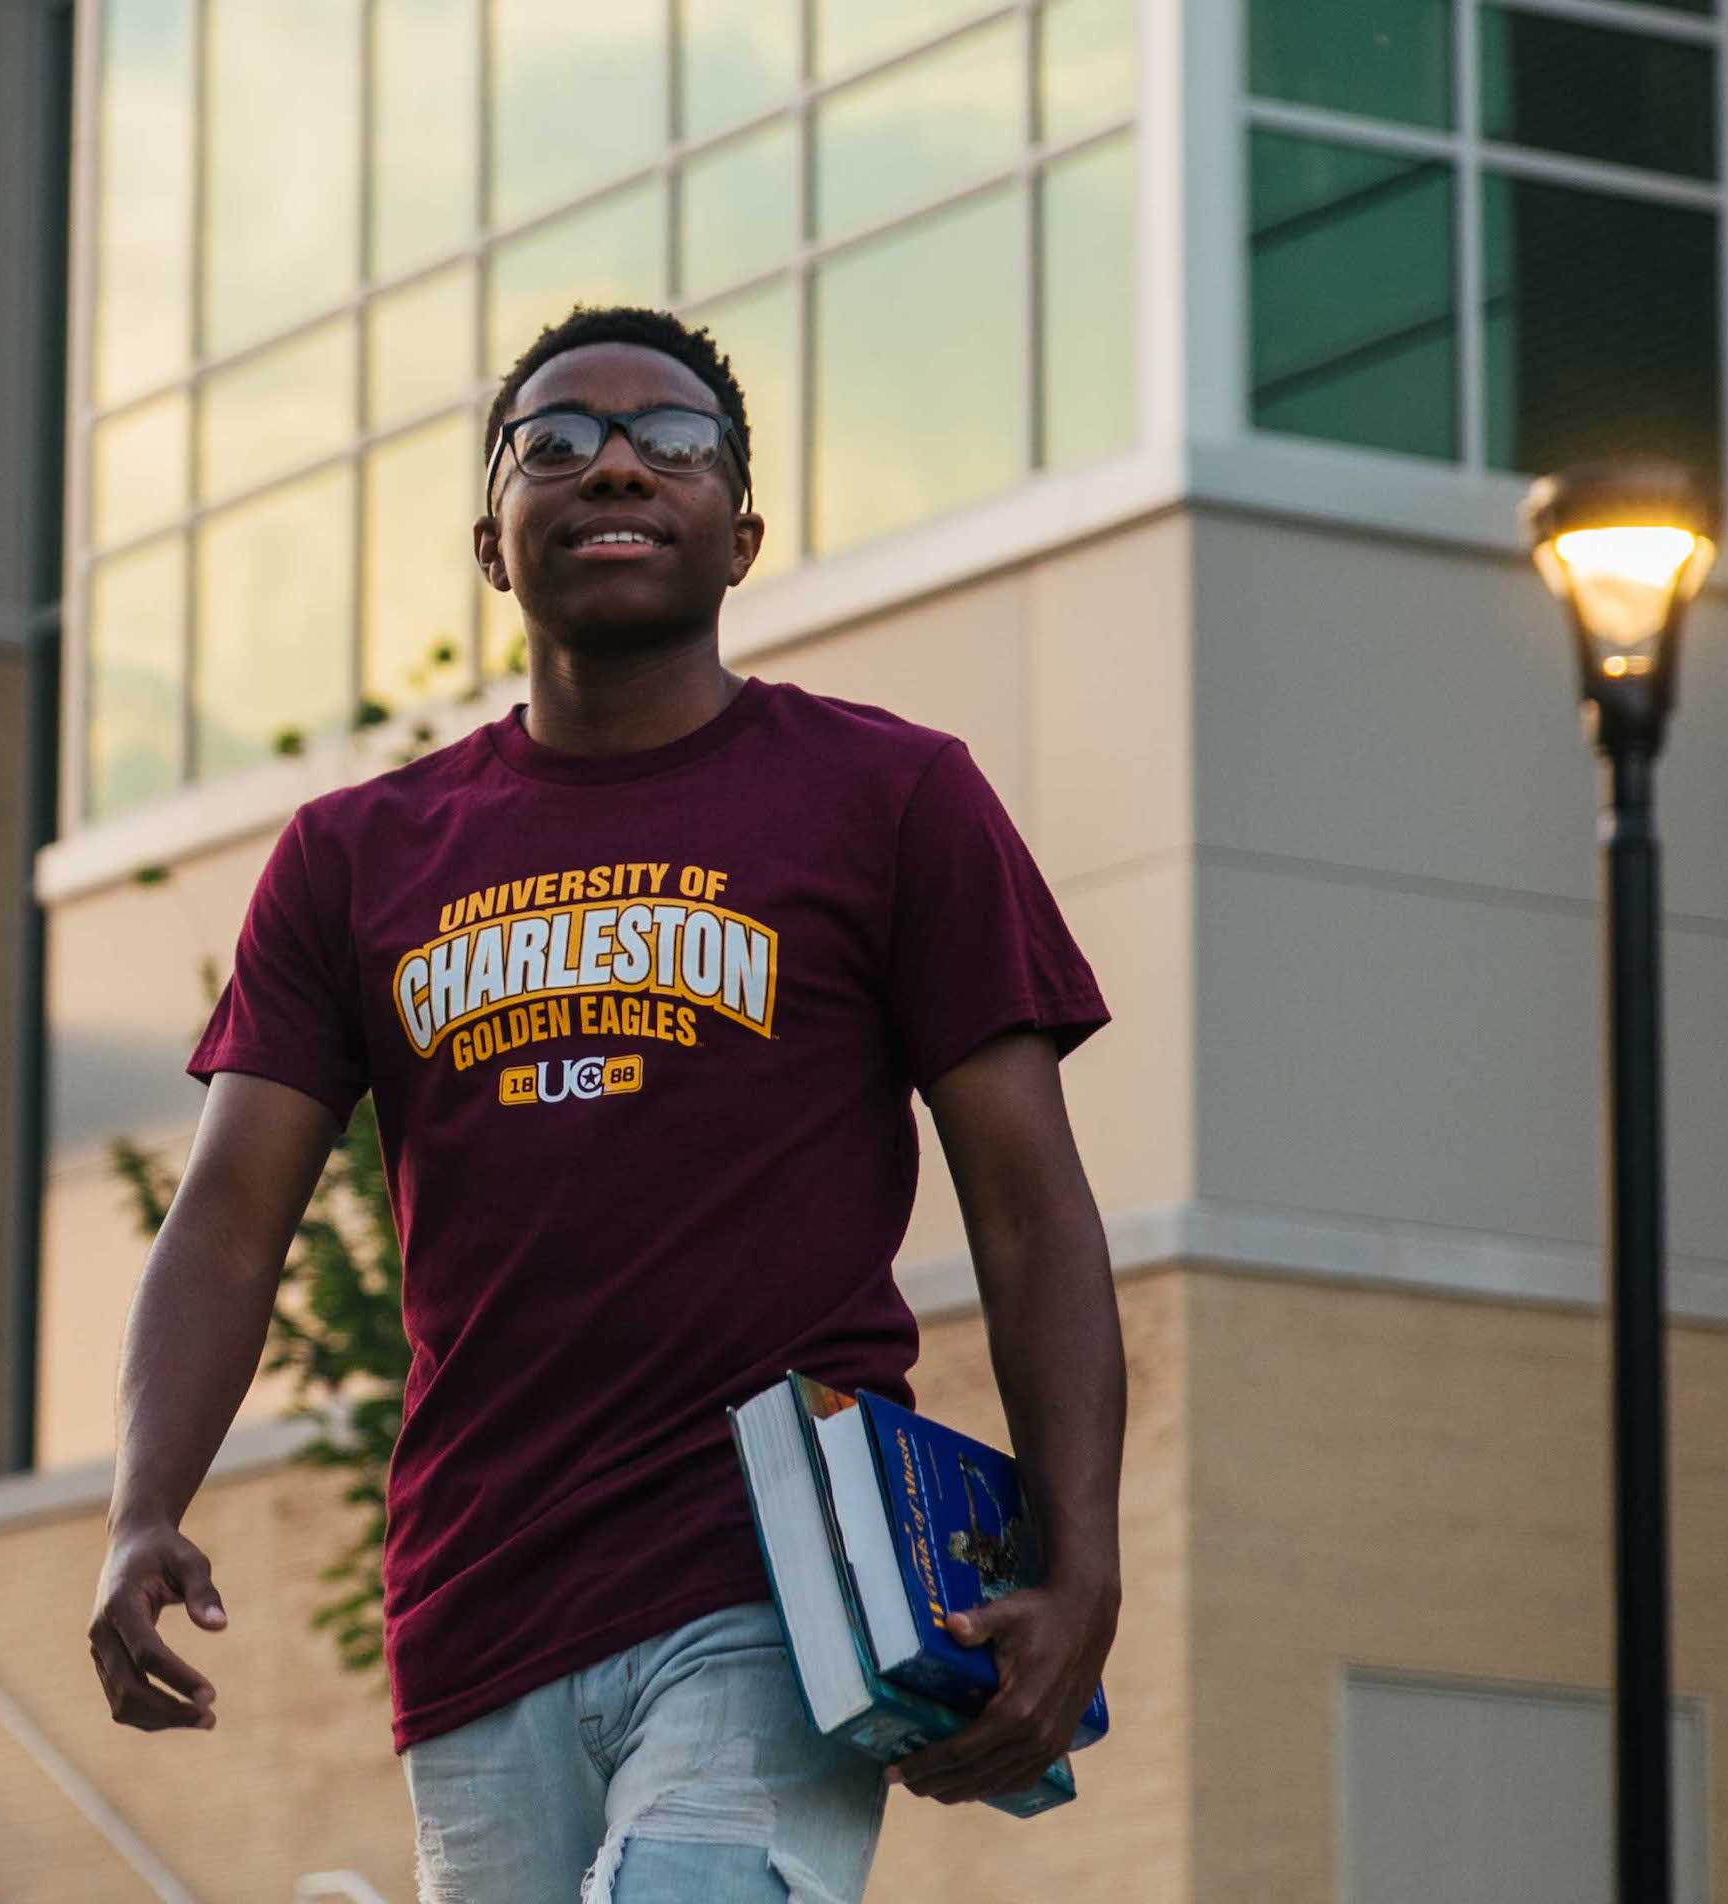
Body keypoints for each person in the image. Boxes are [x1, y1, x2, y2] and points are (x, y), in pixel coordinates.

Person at [75, 306, 1126, 1904]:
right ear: (493, 542)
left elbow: (1035, 1210)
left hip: (777, 1578)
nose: (616, 463)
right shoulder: (356, 856)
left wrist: (1081, 1561)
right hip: (478, 1603)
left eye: (675, 441)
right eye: (553, 444)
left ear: (742, 532)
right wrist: (142, 1505)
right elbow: (225, 1225)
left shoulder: (894, 799)